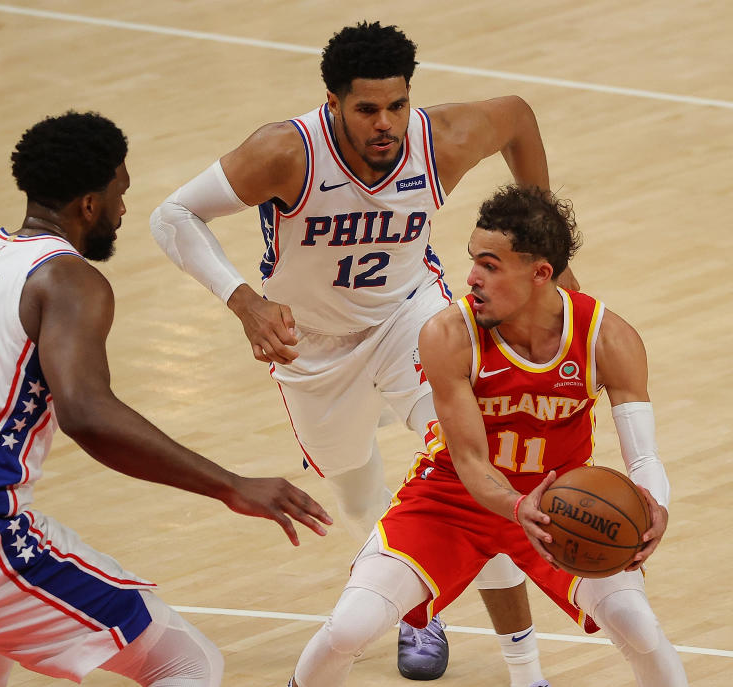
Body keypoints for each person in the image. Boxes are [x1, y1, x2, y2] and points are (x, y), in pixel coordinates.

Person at [0, 111, 332, 687]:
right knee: (182, 661)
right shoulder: (68, 279)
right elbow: (88, 415)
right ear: (90, 205)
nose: (124, 210)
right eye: (120, 193)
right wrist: (230, 484)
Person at [150, 21, 572, 685]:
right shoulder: (287, 152)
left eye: (397, 106)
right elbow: (172, 216)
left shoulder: (441, 142)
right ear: (333, 103)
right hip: (311, 349)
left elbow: (518, 117)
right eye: (367, 109)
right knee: (354, 493)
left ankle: (527, 670)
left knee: (476, 471)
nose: (386, 124)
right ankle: (414, 604)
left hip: (413, 318)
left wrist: (546, 244)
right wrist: (245, 302)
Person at [289, 185, 689, 687]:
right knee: (348, 628)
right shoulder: (447, 335)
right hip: (452, 499)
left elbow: (645, 455)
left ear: (540, 273)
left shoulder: (607, 338)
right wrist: (518, 506)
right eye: (473, 260)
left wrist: (654, 504)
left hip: (563, 508)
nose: (472, 278)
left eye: (491, 265)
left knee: (640, 629)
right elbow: (474, 464)